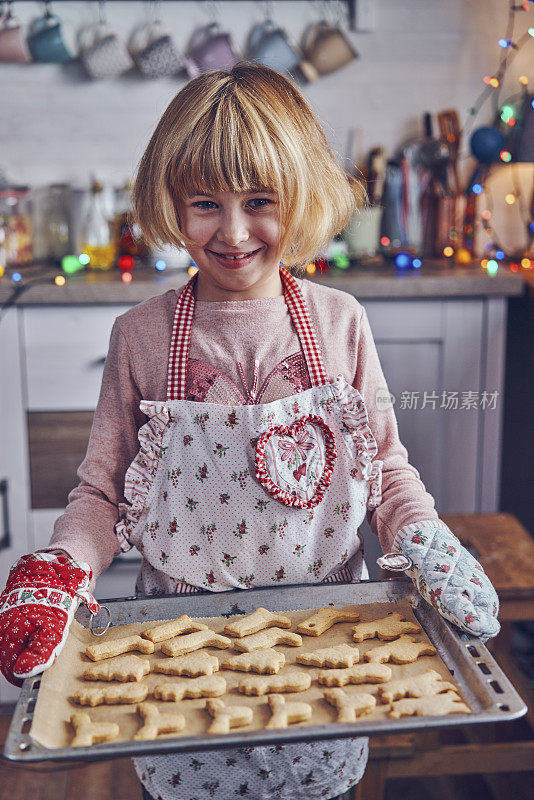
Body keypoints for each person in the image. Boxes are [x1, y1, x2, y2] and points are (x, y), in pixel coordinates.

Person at [0, 62, 500, 800]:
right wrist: (60, 568)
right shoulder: (140, 335)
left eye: (259, 201)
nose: (233, 232)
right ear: (172, 203)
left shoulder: (339, 324)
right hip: (176, 656)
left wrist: (426, 542)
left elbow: (385, 471)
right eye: (206, 203)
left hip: (329, 644)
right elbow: (102, 493)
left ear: (299, 197)